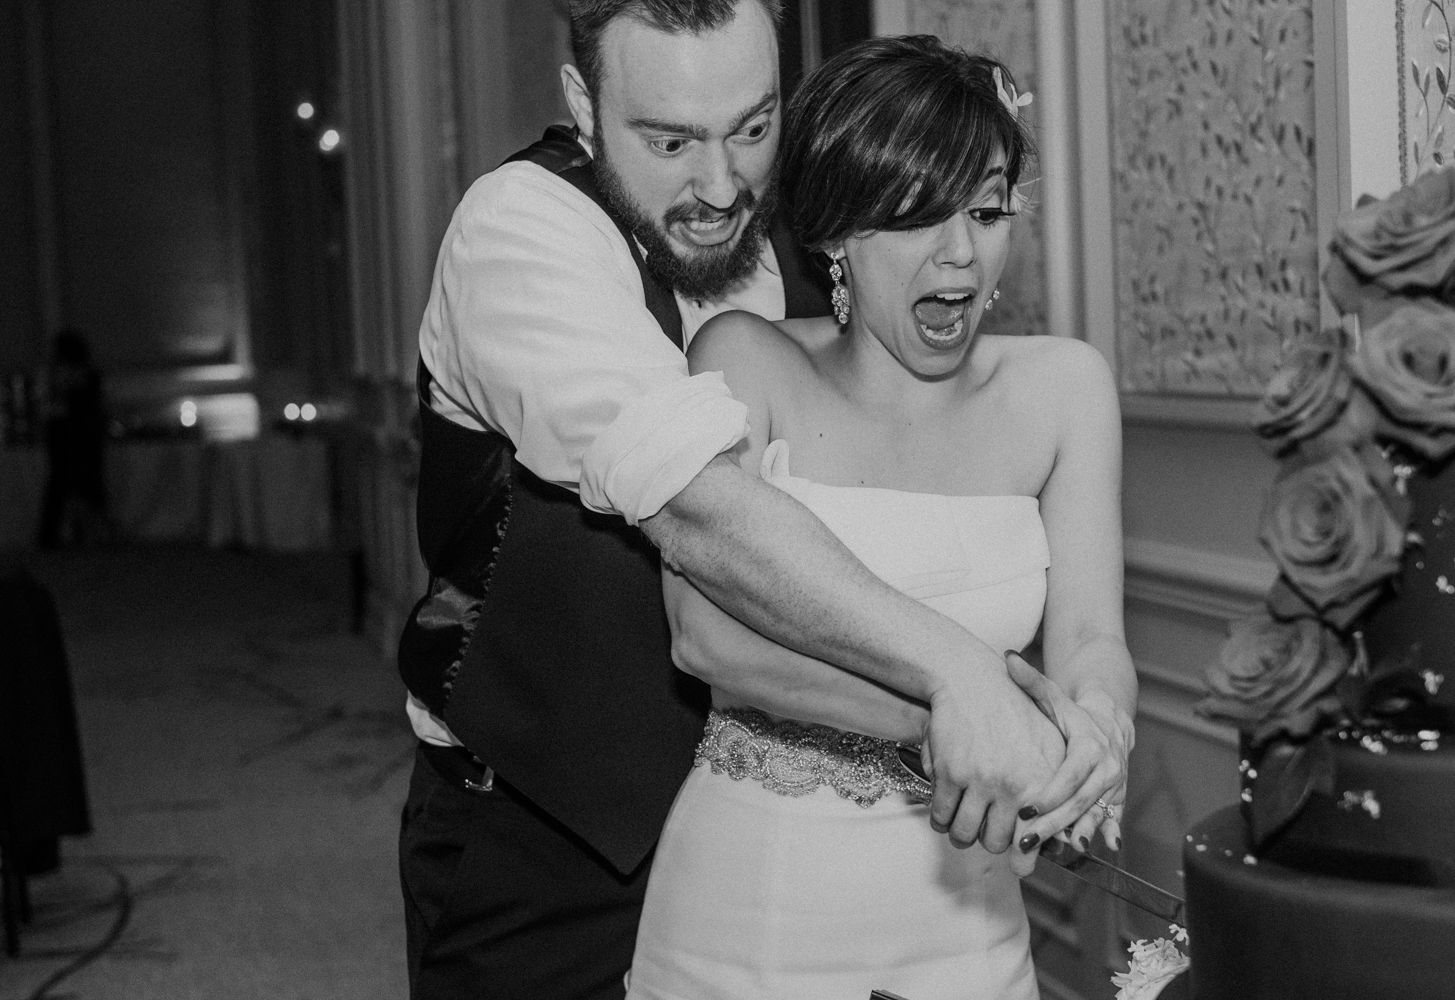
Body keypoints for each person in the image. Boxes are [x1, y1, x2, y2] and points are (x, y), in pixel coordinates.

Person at [398, 3, 1122, 998]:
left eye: (751, 126)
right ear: (584, 103)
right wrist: (969, 689)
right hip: (548, 826)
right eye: (670, 140)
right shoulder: (523, 226)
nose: (722, 182)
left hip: (759, 826)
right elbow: (697, 511)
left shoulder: (812, 244)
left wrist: (1072, 736)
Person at [624, 36, 1137, 999]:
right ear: (835, 236)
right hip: (758, 905)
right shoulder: (746, 359)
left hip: (971, 921)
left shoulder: (1067, 388)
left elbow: (1091, 635)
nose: (960, 254)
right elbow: (705, 638)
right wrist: (964, 719)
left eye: (986, 212)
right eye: (912, 219)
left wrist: (1097, 731)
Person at [38, 329, 110, 550]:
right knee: (67, 480)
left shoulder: (76, 373)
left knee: (78, 480)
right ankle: (67, 533)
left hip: (79, 431)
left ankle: (82, 532)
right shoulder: (65, 373)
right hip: (68, 431)